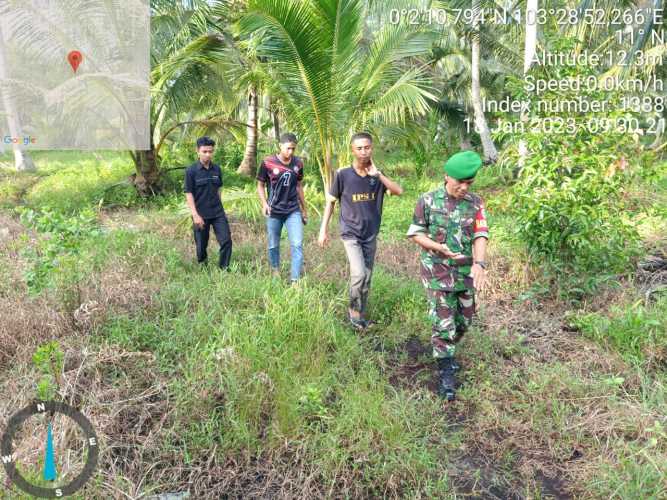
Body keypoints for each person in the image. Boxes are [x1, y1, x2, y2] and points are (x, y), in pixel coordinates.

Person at [406, 150, 489, 401]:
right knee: (443, 324)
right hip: (436, 273)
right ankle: (446, 372)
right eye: (459, 182)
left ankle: (447, 350)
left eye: (469, 183)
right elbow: (415, 233)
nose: (463, 187)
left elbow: (480, 234)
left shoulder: (476, 204)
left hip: (465, 273)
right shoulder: (428, 201)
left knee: (465, 320)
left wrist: (480, 264)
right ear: (447, 176)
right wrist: (435, 246)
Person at [318, 132, 403, 329]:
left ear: (372, 148)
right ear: (352, 150)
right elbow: (330, 203)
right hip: (351, 233)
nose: (363, 152)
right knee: (358, 274)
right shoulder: (343, 175)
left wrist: (378, 174)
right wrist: (323, 230)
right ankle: (354, 314)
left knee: (368, 276)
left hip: (371, 234)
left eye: (367, 147)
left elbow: (399, 191)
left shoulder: (377, 175)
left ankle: (360, 314)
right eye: (359, 148)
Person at [256, 133, 308, 283]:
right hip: (274, 210)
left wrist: (304, 209)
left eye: (293, 149)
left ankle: (295, 281)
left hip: (293, 210)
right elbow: (260, 184)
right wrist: (264, 204)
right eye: (288, 148)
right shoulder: (268, 162)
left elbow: (299, 186)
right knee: (273, 244)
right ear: (280, 146)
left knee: (297, 244)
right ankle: (275, 270)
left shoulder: (298, 164)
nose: (290, 152)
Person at [184, 136, 232, 269]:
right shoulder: (191, 171)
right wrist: (195, 215)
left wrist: (221, 207)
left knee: (226, 240)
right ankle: (203, 267)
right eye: (205, 151)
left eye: (210, 151)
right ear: (198, 151)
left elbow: (219, 190)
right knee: (201, 245)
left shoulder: (217, 169)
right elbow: (189, 193)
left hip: (217, 213)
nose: (208, 154)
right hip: (200, 214)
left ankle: (224, 268)